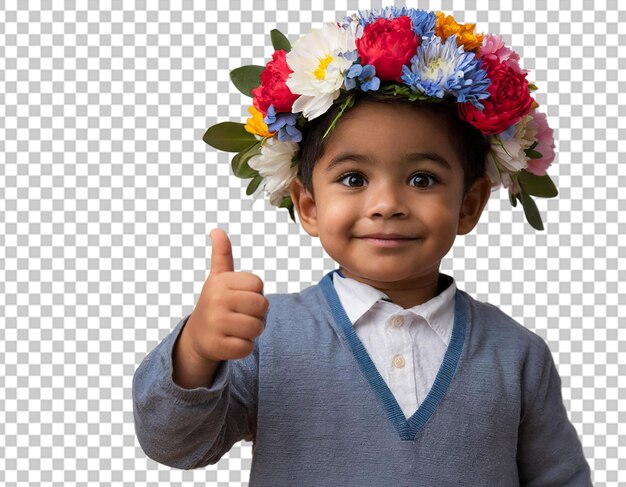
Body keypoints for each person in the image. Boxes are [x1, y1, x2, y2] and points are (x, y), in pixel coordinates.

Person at [132, 6, 592, 485]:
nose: (387, 204)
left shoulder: (516, 353)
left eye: (422, 178)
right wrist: (197, 351)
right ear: (308, 206)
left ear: (468, 205)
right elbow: (176, 445)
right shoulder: (265, 336)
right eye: (354, 178)